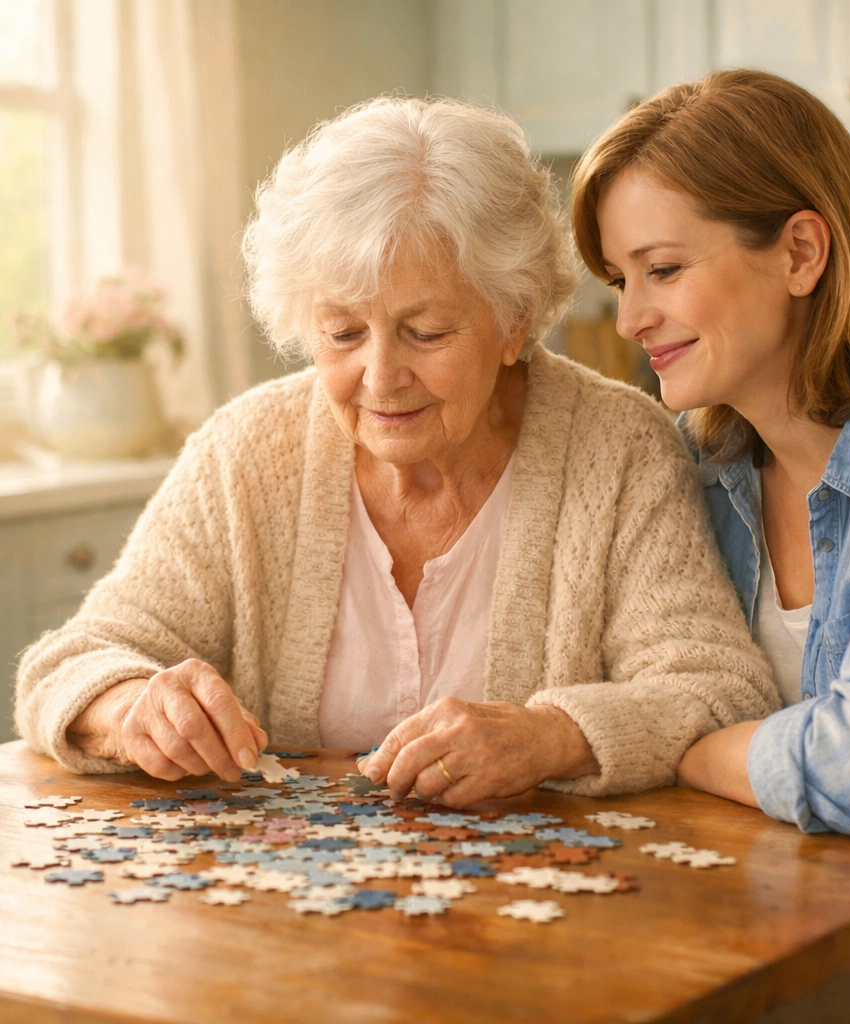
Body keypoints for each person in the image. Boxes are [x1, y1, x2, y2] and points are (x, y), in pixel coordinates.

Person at [15, 96, 776, 811]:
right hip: (279, 917)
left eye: (427, 332)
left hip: (539, 924)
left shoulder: (618, 448)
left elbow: (716, 689)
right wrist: (130, 708)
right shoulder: (247, 452)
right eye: (343, 333)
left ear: (515, 320)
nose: (380, 378)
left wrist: (552, 736)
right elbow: (70, 663)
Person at [571, 69, 850, 1023]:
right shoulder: (704, 470)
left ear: (802, 251)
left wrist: (685, 743)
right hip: (799, 977)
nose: (628, 319)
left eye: (663, 269)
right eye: (621, 281)